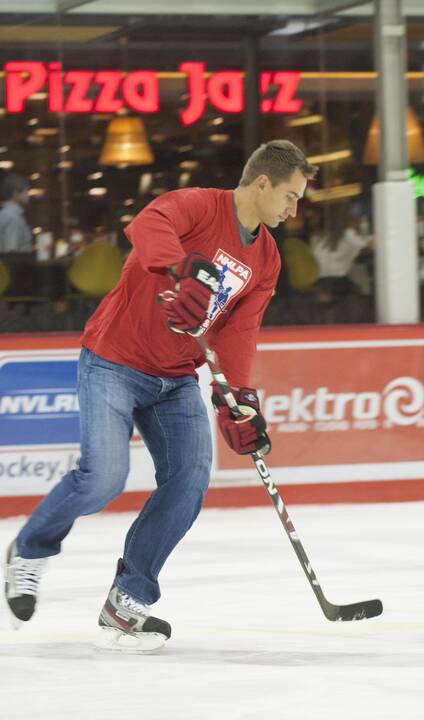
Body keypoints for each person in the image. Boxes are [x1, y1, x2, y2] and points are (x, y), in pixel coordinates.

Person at [3, 140, 318, 652]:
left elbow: (239, 331)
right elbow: (148, 224)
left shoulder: (266, 258)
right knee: (104, 477)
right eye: (290, 196)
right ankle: (30, 549)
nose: (293, 209)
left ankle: (127, 600)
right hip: (115, 360)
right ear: (262, 182)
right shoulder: (199, 205)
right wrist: (180, 269)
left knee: (190, 480)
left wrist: (237, 397)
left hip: (175, 378)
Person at [0, 173, 33, 255]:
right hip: (15, 266)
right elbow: (11, 252)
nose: (28, 195)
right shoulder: (13, 218)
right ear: (15, 193)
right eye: (26, 191)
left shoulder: (5, 214)